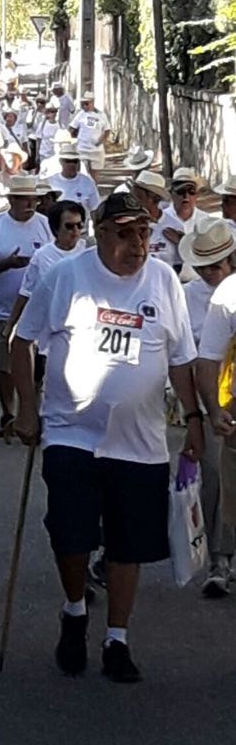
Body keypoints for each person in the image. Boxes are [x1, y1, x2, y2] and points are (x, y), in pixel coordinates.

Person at [11, 193, 200, 683]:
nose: (138, 244)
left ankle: (117, 638)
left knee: (127, 544)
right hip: (72, 432)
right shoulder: (65, 277)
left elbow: (180, 357)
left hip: (140, 442)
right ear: (100, 233)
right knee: (70, 534)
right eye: (125, 234)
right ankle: (74, 609)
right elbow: (21, 340)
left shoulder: (163, 280)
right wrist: (27, 410)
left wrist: (195, 418)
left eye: (143, 233)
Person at [0, 175, 51, 436]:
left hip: (38, 310)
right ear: (11, 201)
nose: (29, 204)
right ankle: (8, 413)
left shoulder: (46, 226)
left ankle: (33, 413)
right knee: (5, 366)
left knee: (37, 367)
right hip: (0, 310)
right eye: (23, 199)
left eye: (33, 199)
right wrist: (8, 263)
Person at [182, 219, 236, 596]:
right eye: (203, 267)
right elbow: (197, 357)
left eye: (215, 266)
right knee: (216, 477)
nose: (208, 274)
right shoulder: (196, 296)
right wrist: (204, 411)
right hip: (215, 394)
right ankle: (220, 559)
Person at [4, 200, 87, 341]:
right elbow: (26, 292)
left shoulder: (88, 251)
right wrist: (11, 325)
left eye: (79, 225)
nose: (75, 231)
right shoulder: (42, 256)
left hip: (81, 329)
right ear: (55, 228)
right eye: (69, 226)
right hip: (49, 331)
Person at [160, 167, 206, 273]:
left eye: (191, 191)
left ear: (197, 195)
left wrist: (183, 242)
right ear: (171, 193)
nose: (186, 196)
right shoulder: (160, 220)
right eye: (180, 191)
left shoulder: (206, 221)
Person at [69, 91, 111, 182]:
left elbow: (107, 130)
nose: (84, 106)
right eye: (83, 104)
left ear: (92, 102)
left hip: (96, 150)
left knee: (94, 176)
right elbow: (71, 127)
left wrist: (100, 141)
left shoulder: (101, 115)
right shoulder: (80, 114)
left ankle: (93, 192)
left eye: (86, 104)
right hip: (82, 148)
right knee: (82, 173)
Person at [48, 144, 100, 217]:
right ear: (61, 161)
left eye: (75, 161)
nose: (71, 164)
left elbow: (95, 208)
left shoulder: (87, 182)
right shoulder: (50, 182)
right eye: (68, 161)